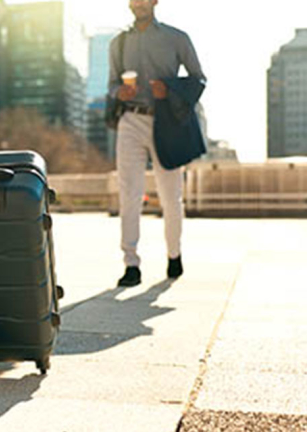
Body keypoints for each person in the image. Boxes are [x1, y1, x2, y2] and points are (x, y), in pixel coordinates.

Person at [108, 0, 205, 287]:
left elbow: (198, 79)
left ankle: (174, 255)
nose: (138, 3)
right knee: (129, 193)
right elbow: (111, 84)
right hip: (130, 120)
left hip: (167, 122)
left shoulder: (177, 38)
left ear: (154, 1)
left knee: (170, 194)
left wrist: (170, 88)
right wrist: (120, 93)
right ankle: (131, 264)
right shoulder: (119, 43)